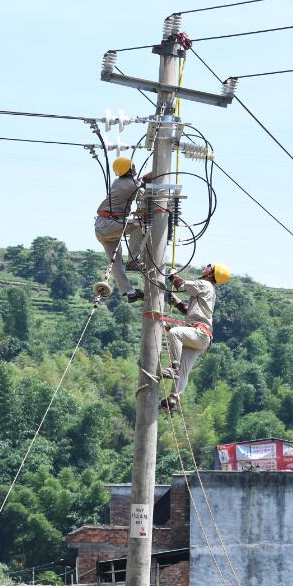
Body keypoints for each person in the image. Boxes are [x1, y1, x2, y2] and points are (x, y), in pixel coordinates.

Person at [160, 263, 230, 411]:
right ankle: (173, 399)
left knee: (175, 333)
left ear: (211, 274)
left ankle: (174, 367)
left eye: (209, 266)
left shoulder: (205, 284)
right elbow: (189, 310)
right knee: (184, 370)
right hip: (201, 337)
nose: (206, 266)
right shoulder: (209, 290)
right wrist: (176, 302)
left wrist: (172, 274)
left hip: (199, 333)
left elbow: (181, 285)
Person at [92, 156, 154, 303]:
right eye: (132, 166)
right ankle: (133, 260)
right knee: (139, 224)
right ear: (128, 169)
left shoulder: (119, 182)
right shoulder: (129, 184)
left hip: (103, 227)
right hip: (108, 224)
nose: (135, 168)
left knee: (115, 263)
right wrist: (160, 170)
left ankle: (129, 292)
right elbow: (145, 184)